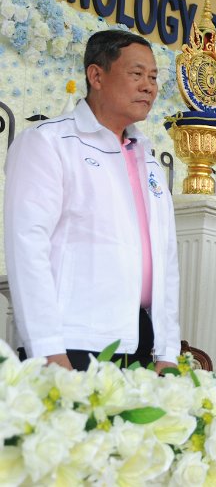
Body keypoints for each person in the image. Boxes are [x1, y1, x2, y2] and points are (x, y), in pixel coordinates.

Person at [4, 29, 180, 372]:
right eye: (137, 74)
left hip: (140, 340)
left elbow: (166, 261)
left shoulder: (148, 159)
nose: (149, 86)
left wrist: (167, 351)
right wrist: (47, 348)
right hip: (72, 339)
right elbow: (27, 247)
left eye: (154, 77)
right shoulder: (49, 142)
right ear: (96, 75)